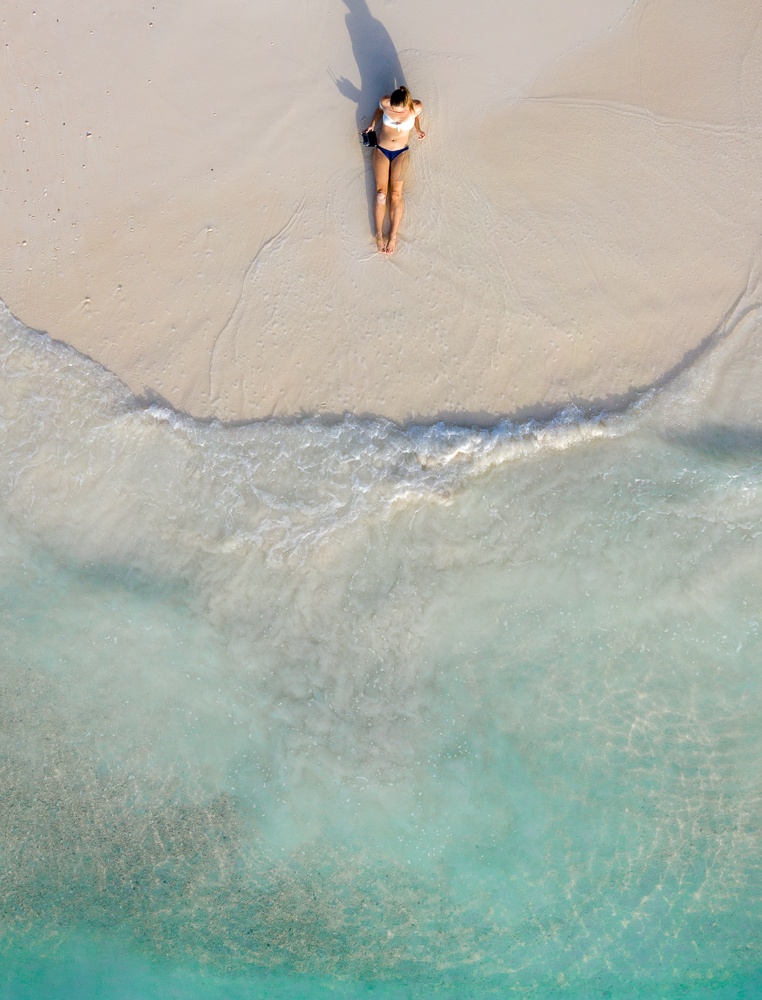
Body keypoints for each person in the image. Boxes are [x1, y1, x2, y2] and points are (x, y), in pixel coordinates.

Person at [363, 86, 425, 254]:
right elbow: (378, 111)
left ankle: (393, 236)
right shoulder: (385, 102)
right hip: (382, 149)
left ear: (407, 104)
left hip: (401, 152)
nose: (395, 113)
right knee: (381, 194)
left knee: (396, 194)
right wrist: (372, 124)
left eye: (399, 111)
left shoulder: (415, 107)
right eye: (393, 110)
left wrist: (418, 129)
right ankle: (378, 235)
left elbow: (416, 117)